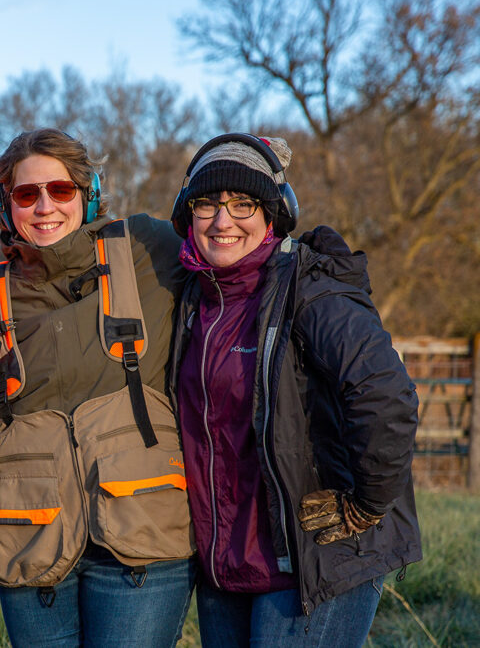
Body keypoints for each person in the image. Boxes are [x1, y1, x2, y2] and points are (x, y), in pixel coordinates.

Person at [165, 133, 422, 646]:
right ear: (185, 215)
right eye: (207, 204)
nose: (222, 220)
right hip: (228, 564)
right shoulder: (193, 300)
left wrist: (367, 504)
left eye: (243, 204)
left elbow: (386, 394)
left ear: (275, 213)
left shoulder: (312, 289)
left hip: (316, 556)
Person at [0, 128, 195, 647]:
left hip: (141, 538)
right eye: (27, 194)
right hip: (30, 536)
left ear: (89, 191)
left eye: (62, 190)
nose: (45, 206)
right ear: (6, 206)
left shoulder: (147, 247)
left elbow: (230, 250)